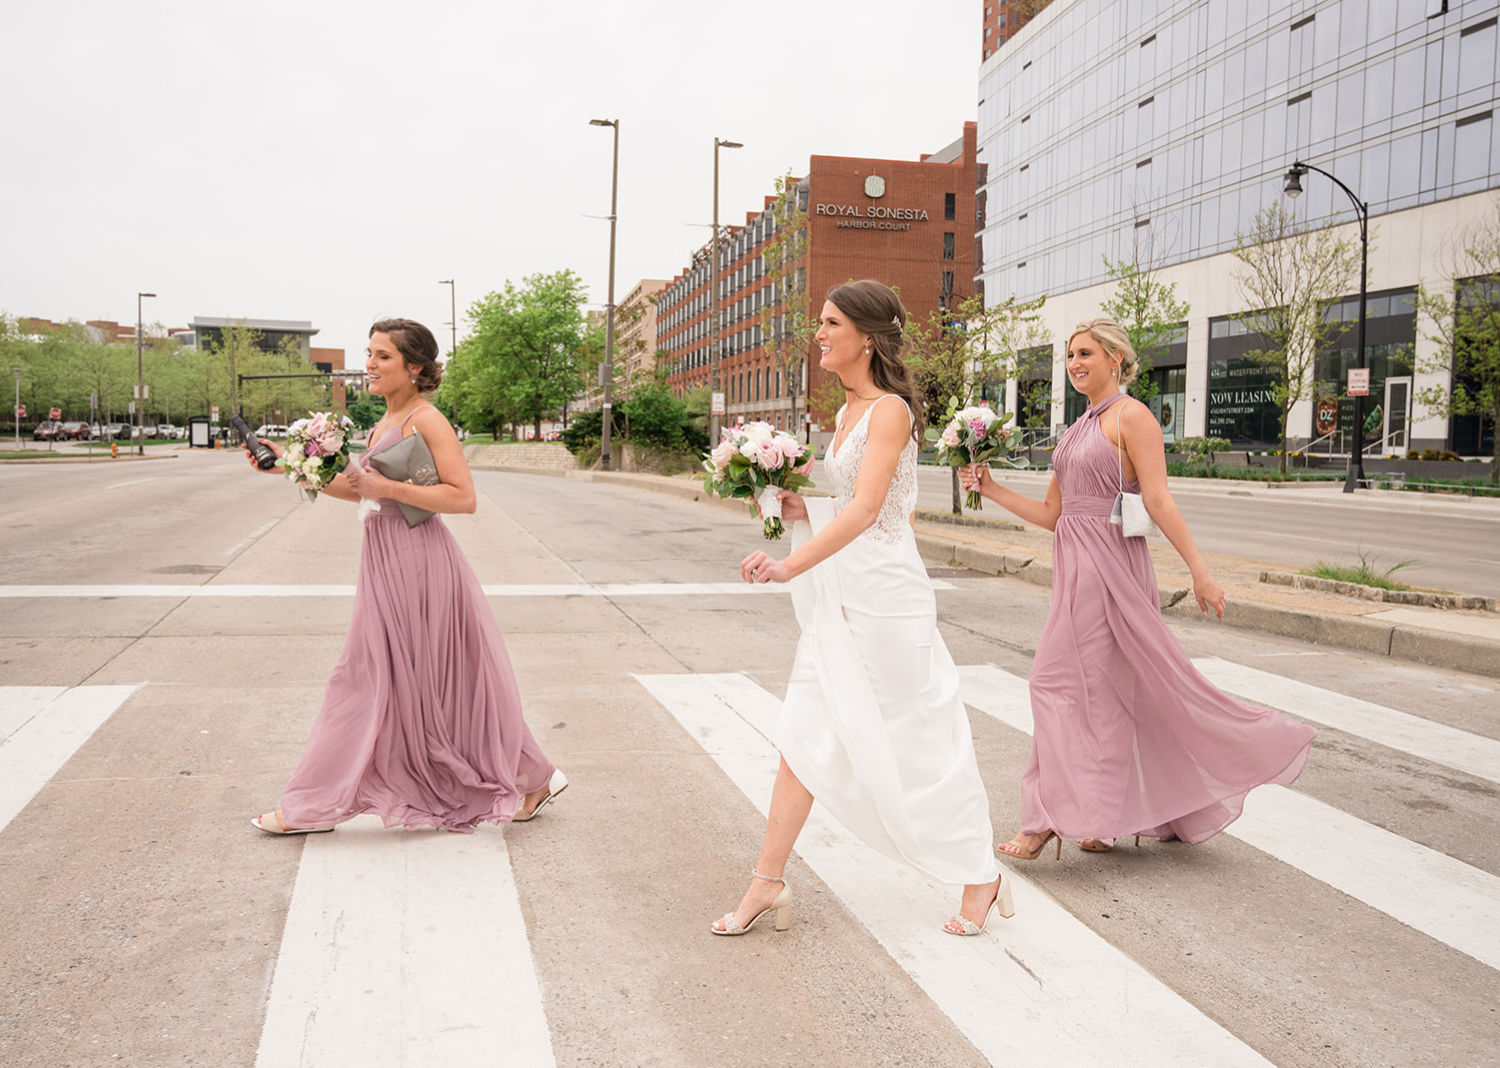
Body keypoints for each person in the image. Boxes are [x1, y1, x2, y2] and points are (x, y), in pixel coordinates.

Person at [961, 317, 1316, 858]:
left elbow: (1159, 500)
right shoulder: (1076, 428)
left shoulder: (1134, 419)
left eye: (1085, 354)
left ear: (1115, 358)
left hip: (1112, 570)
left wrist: (1200, 569)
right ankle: (1099, 818)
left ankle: (1044, 819)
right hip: (1074, 569)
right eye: (1070, 356)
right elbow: (1055, 513)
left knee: (1053, 684)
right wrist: (993, 488)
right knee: (1099, 694)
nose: (1075, 364)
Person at [719, 281, 1010, 938]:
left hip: (886, 601)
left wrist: (792, 562)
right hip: (839, 598)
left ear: (867, 337)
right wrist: (793, 509)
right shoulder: (848, 411)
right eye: (820, 323)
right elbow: (847, 501)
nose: (818, 334)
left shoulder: (890, 412)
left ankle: (978, 871)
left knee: (919, 738)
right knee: (802, 730)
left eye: (830, 323)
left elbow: (871, 510)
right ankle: (767, 881)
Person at [245, 318, 565, 835]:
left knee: (372, 678)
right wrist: (289, 465)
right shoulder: (384, 419)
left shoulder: (426, 419)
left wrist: (388, 489)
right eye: (369, 353)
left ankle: (315, 805)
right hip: (385, 556)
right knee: (429, 683)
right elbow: (361, 491)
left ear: (414, 367)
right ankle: (533, 776)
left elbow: (463, 498)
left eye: (382, 356)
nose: (369, 364)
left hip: (419, 560)